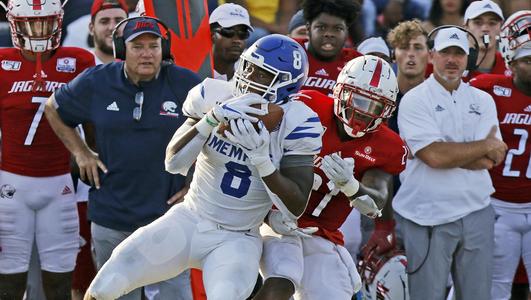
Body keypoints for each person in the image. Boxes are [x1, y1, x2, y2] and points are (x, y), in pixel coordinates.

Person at [78, 34, 323, 300]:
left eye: (263, 74)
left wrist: (262, 161)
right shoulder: (214, 95)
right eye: (249, 66)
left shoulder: (297, 122)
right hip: (191, 218)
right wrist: (209, 120)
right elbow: (173, 163)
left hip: (237, 237)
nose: (248, 76)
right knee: (108, 281)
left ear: (286, 85)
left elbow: (295, 205)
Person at [44, 16, 201, 299]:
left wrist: (195, 181)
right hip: (112, 216)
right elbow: (53, 108)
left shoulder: (186, 83)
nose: (147, 53)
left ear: (163, 50)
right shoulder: (97, 81)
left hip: (168, 219)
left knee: (175, 294)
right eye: (137, 46)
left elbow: (216, 129)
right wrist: (81, 153)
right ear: (121, 50)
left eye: (154, 46)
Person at [254, 55, 408, 300]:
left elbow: (376, 200)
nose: (363, 112)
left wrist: (351, 186)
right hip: (274, 219)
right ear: (340, 91)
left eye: (374, 106)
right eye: (358, 99)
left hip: (322, 233)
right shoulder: (307, 107)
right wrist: (265, 215)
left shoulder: (387, 145)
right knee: (281, 282)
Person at [393, 26, 508, 300]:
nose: (452, 60)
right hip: (425, 214)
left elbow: (491, 159)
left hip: (477, 209)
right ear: (432, 55)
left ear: (467, 57)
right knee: (427, 296)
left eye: (459, 53)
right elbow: (433, 156)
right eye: (446, 52)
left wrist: (448, 152)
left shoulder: (483, 100)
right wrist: (479, 147)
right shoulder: (414, 100)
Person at [0, 0, 95, 299]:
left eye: (45, 23)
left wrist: (89, 153)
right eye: (29, 23)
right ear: (14, 23)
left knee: (59, 282)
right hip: (11, 183)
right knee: (9, 282)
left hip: (60, 183)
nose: (38, 30)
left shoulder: (79, 60)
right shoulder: (1, 62)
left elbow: (93, 118)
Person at [469, 10, 531, 300]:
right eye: (528, 60)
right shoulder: (488, 89)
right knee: (495, 289)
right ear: (510, 59)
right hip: (498, 206)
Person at [298, 0, 361, 97]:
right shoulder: (290, 52)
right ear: (308, 29)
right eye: (321, 27)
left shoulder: (357, 64)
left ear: (346, 32)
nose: (329, 34)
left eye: (338, 28)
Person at [462, 0, 507, 81]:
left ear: (501, 28)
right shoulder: (454, 64)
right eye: (478, 22)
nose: (485, 28)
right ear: (466, 27)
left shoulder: (511, 67)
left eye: (492, 23)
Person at [209, 3, 253, 81]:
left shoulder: (250, 79)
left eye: (243, 34)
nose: (237, 40)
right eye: (228, 32)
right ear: (212, 35)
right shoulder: (192, 76)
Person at [89, 0, 129, 64]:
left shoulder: (141, 65)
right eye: (104, 22)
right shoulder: (81, 66)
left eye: (119, 21)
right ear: (91, 28)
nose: (112, 27)